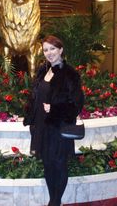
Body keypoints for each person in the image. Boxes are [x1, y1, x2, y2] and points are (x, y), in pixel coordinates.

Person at [23, 35, 84, 206]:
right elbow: (36, 97)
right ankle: (53, 199)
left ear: (61, 50)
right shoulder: (43, 70)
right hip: (43, 126)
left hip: (59, 126)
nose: (49, 53)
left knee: (59, 164)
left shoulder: (69, 74)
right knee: (48, 165)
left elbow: (77, 103)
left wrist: (56, 109)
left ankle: (55, 202)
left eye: (53, 49)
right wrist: (31, 117)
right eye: (46, 49)